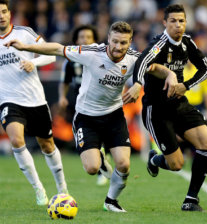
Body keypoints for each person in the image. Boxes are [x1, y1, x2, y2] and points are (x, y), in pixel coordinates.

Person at [5, 21, 178, 212]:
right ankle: (101, 160)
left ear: (130, 42)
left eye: (123, 43)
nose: (118, 47)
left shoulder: (135, 59)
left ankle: (111, 201)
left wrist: (170, 74)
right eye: (115, 42)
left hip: (114, 115)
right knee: (92, 168)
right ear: (108, 40)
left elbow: (155, 68)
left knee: (124, 164)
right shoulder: (92, 53)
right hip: (86, 117)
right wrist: (26, 46)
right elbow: (57, 49)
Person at [123, 4, 207, 212]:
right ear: (164, 23)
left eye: (181, 20)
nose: (178, 25)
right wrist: (138, 84)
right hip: (157, 110)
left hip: (179, 104)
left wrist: (186, 85)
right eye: (173, 21)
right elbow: (142, 61)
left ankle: (191, 199)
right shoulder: (159, 44)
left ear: (186, 22)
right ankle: (156, 159)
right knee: (176, 164)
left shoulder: (187, 43)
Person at [0, 0, 68, 206]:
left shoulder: (24, 33)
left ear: (9, 13)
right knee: (16, 140)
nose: (1, 16)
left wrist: (33, 62)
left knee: (47, 145)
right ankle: (39, 188)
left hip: (35, 100)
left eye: (3, 11)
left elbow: (51, 56)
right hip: (9, 100)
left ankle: (62, 188)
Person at [58, 25, 109, 186]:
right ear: (76, 40)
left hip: (99, 101)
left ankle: (102, 166)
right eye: (81, 37)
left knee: (102, 134)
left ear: (94, 40)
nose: (85, 40)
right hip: (79, 101)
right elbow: (64, 81)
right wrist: (62, 97)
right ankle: (95, 159)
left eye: (88, 37)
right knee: (83, 133)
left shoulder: (101, 56)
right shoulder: (71, 60)